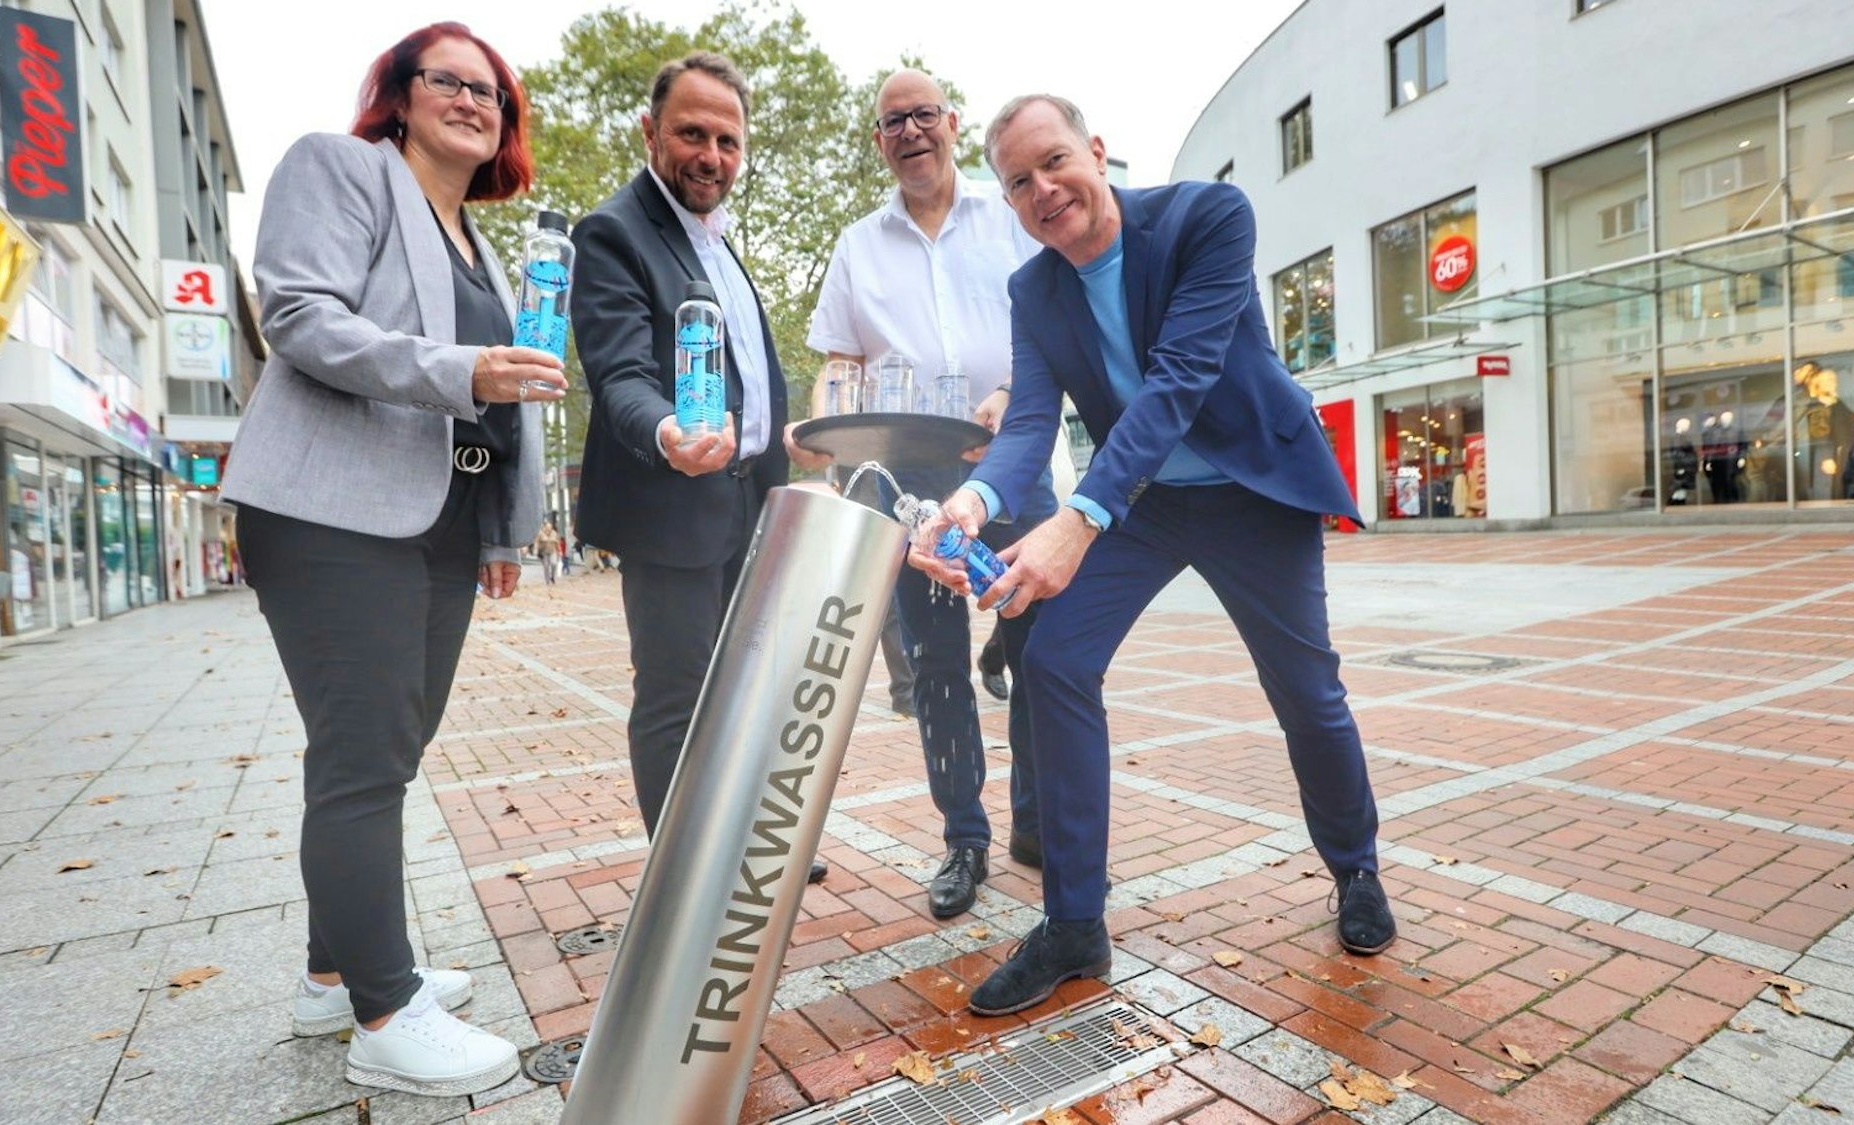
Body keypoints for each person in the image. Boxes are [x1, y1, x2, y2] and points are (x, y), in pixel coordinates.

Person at [911, 94, 1394, 1015]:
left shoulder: (1207, 219)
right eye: (1019, 183)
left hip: (1253, 489)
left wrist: (1079, 516)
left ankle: (1356, 867)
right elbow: (1026, 424)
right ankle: (1074, 924)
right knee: (1052, 660)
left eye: (1056, 162)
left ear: (1097, 152)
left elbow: (1179, 380)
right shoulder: (1034, 291)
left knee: (1305, 688)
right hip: (1150, 501)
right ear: (1009, 204)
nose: (1044, 189)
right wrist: (970, 505)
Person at [219, 22, 562, 1095]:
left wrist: (508, 525)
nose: (471, 101)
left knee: (387, 754)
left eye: (490, 91)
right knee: (362, 760)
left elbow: (512, 395)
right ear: (399, 94)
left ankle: (332, 970)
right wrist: (463, 368)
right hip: (331, 511)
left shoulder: (481, 244)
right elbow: (300, 319)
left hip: (444, 520)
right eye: (447, 81)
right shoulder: (341, 168)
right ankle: (381, 1010)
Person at [788, 69, 1053, 919]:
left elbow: (1053, 328)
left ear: (951, 122)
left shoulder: (1008, 217)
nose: (911, 132)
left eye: (924, 116)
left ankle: (1038, 822)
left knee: (1042, 654)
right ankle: (964, 839)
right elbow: (839, 364)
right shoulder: (856, 246)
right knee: (937, 668)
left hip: (1012, 463)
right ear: (879, 140)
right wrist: (821, 424)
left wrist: (1019, 392)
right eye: (893, 121)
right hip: (910, 484)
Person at [569, 52, 824, 881]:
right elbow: (620, 375)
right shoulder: (613, 231)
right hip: (673, 503)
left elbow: (748, 366)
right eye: (691, 133)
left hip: (753, 504)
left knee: (748, 690)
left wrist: (784, 435)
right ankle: (686, 878)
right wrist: (669, 430)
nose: (710, 154)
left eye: (727, 139)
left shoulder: (715, 240)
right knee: (677, 699)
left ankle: (745, 843)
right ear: (650, 131)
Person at [532, 518, 562, 585]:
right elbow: (536, 542)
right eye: (547, 527)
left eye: (550, 527)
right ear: (545, 527)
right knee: (546, 566)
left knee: (554, 564)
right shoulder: (540, 533)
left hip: (553, 551)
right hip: (544, 553)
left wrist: (560, 551)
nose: (548, 529)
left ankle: (552, 577)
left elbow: (557, 543)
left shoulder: (554, 533)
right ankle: (547, 581)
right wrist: (535, 550)